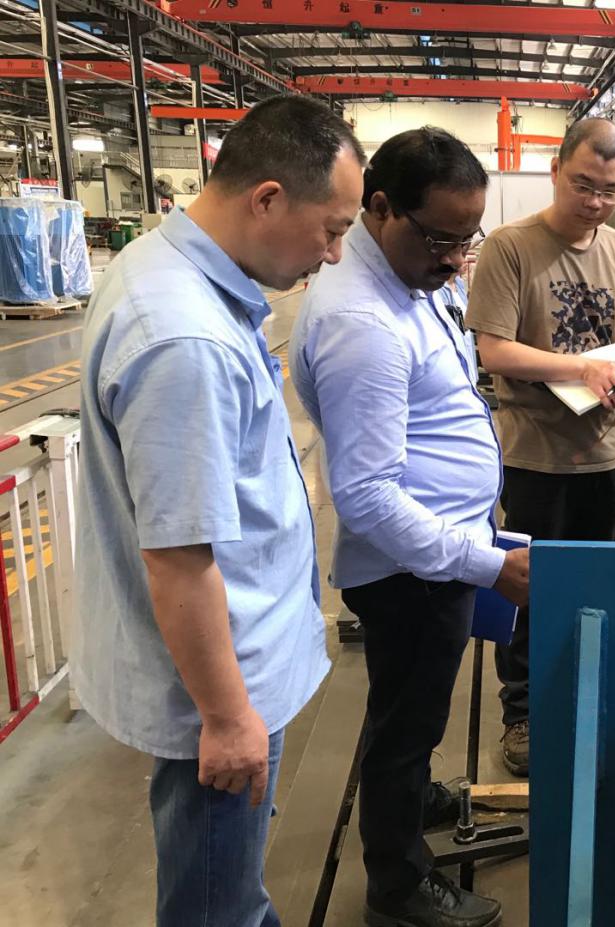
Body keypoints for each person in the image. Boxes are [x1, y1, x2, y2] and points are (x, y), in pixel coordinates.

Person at [73, 96, 365, 926]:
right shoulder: (184, 338)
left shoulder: (164, 266)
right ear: (267, 199)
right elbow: (179, 557)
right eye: (331, 230)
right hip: (222, 686)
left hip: (231, 667)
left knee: (230, 891)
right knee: (214, 907)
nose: (334, 254)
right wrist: (230, 717)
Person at [291, 127, 525, 927]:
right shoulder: (362, 321)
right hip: (412, 569)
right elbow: (366, 497)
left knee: (410, 706)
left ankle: (414, 794)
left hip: (437, 554)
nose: (455, 259)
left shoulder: (408, 277)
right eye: (440, 240)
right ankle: (397, 884)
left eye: (468, 239)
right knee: (407, 720)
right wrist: (487, 564)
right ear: (381, 207)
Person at [466, 117, 615, 776]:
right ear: (555, 170)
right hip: (535, 455)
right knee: (528, 587)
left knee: (601, 583)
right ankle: (521, 711)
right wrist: (583, 369)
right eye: (583, 185)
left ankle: (586, 694)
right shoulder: (510, 248)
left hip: (608, 454)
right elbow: (493, 349)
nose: (596, 202)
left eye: (610, 190)